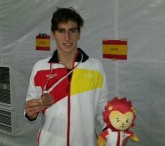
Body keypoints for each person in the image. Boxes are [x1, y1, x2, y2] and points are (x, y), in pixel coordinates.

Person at [24, 7, 109, 146]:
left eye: (72, 31)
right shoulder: (39, 67)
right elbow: (30, 108)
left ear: (79, 33)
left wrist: (112, 130)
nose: (67, 38)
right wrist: (30, 113)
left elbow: (102, 107)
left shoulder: (95, 67)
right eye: (61, 31)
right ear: (53, 34)